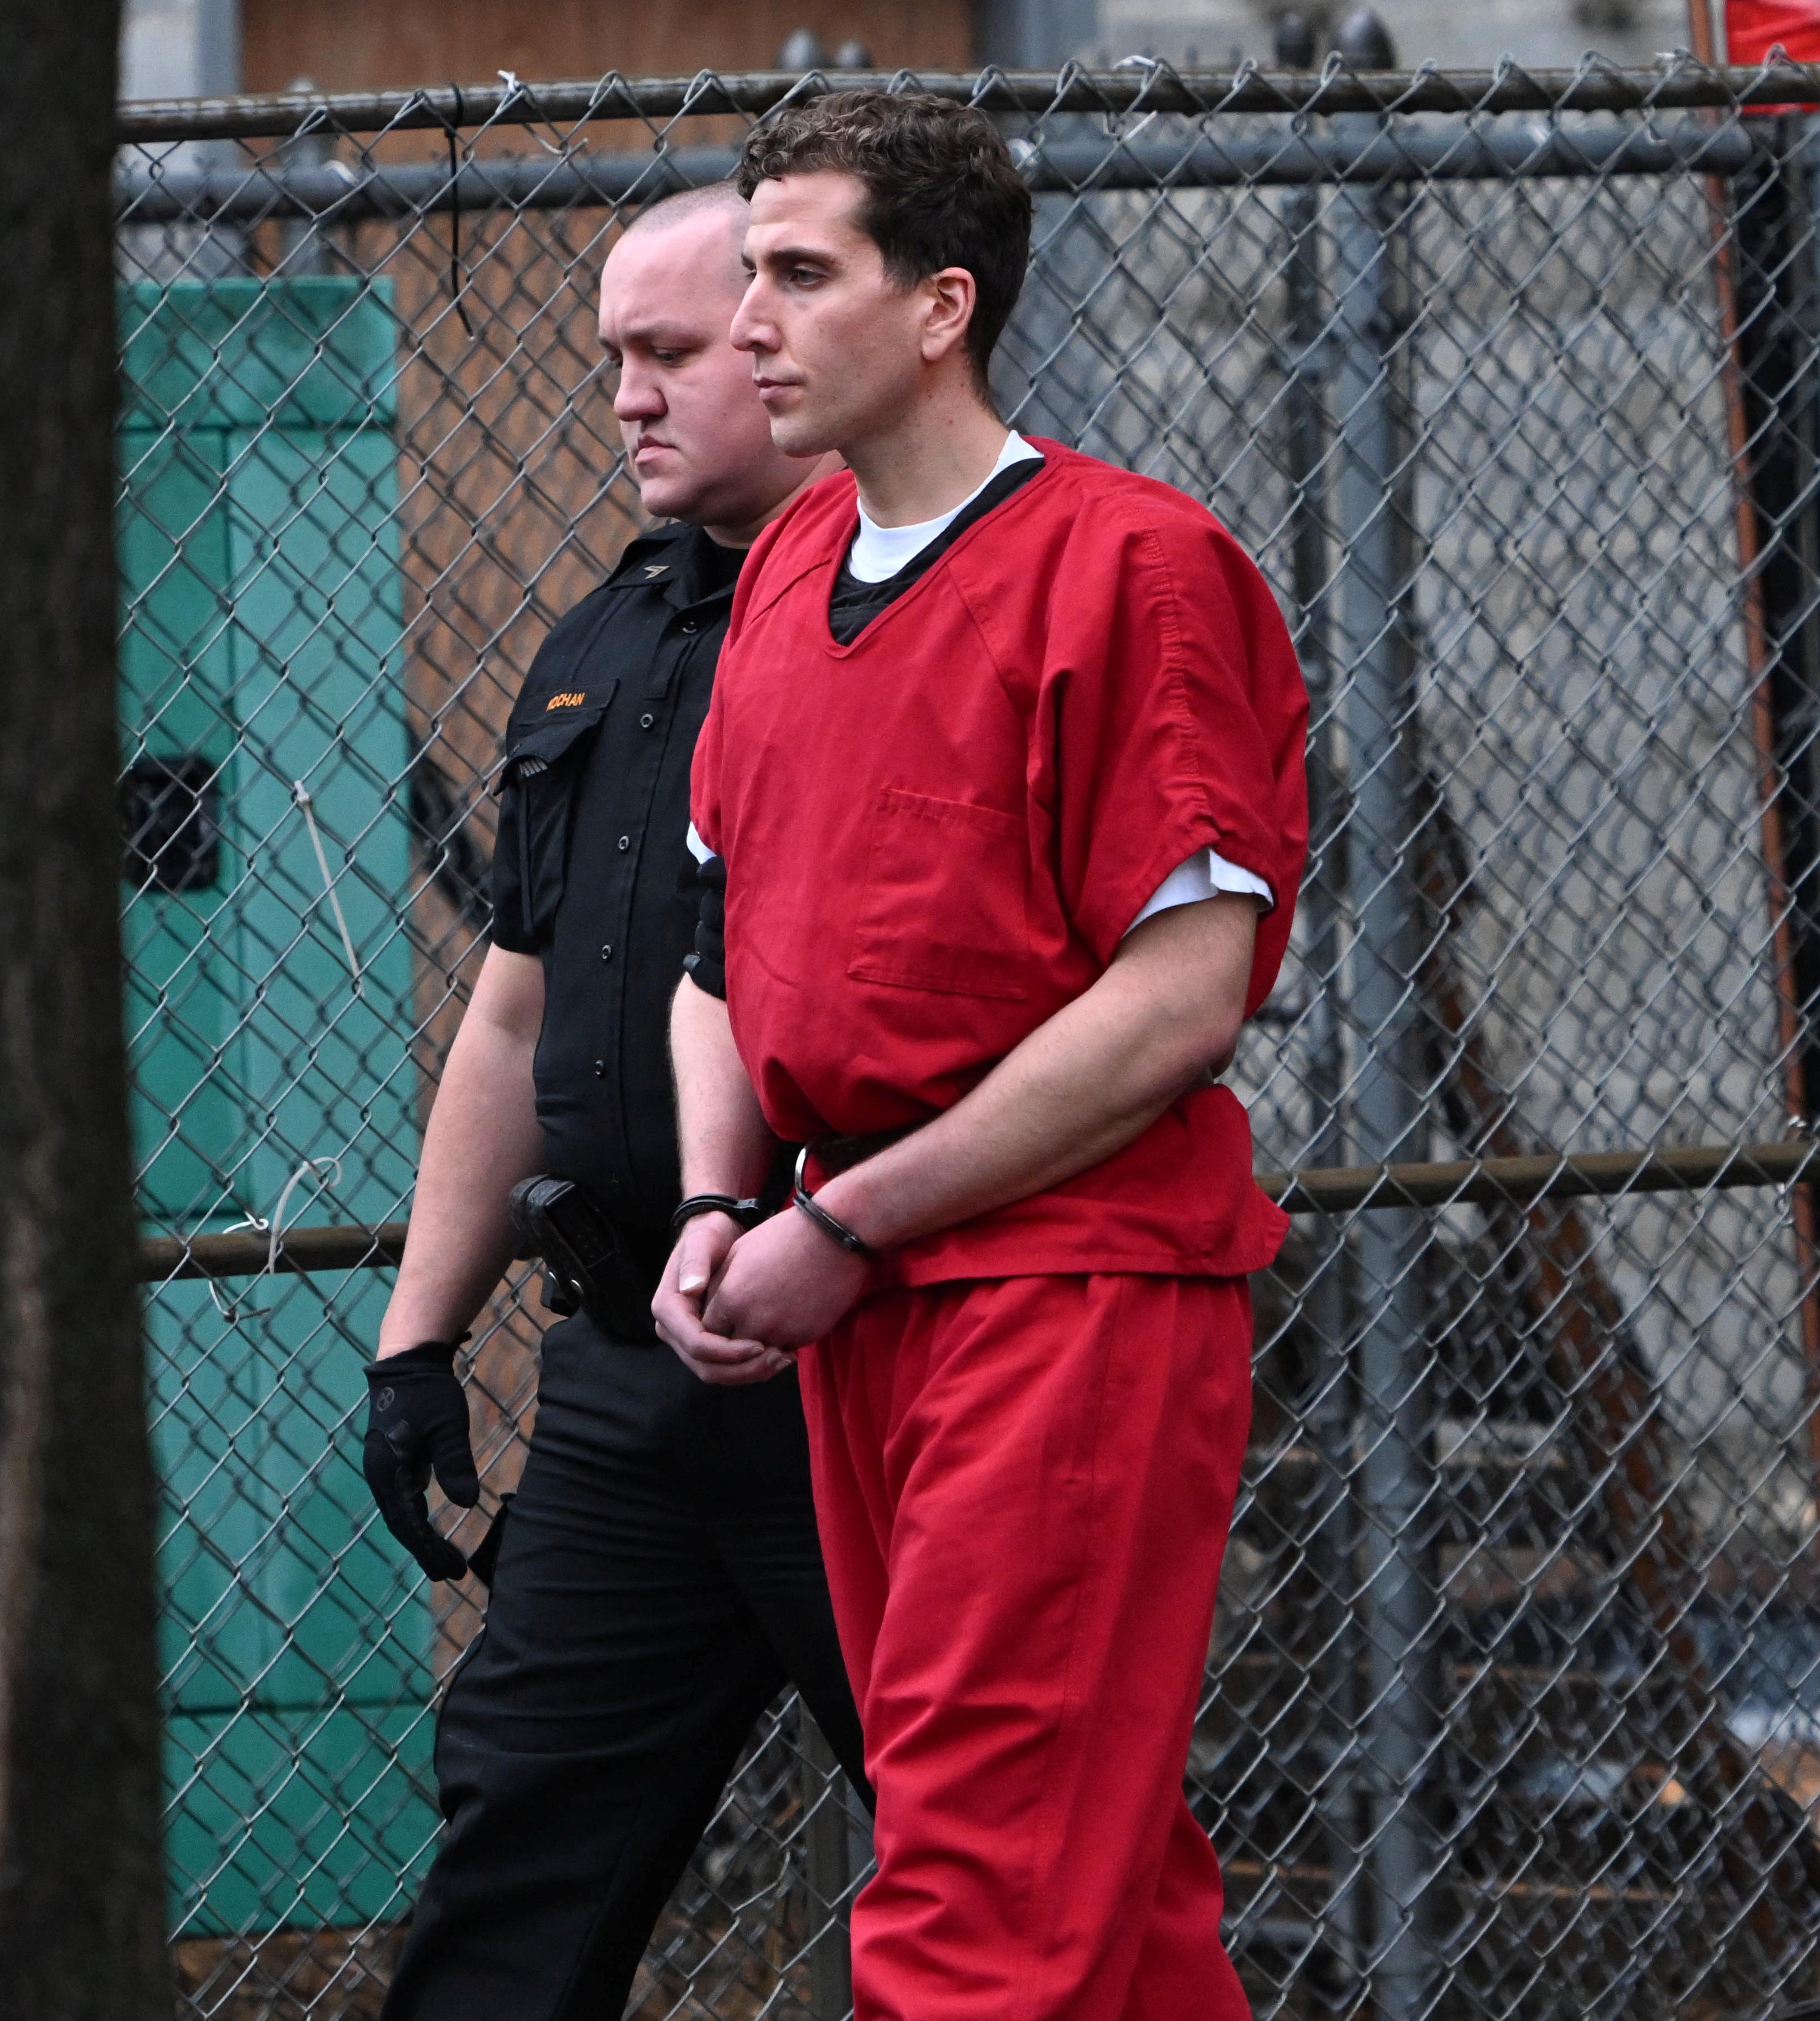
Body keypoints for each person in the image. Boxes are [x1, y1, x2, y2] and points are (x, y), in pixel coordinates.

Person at [654, 92, 1309, 2021]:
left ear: (940, 307)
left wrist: (844, 1216)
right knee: (1091, 1893)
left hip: (1065, 1279)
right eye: (744, 269)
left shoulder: (1134, 565)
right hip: (855, 1281)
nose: (747, 318)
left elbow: (1181, 995)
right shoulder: (785, 565)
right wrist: (722, 1200)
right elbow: (720, 945)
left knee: (972, 1892)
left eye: (797, 272)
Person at [356, 182, 868, 2021]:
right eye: (609, 364)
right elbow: (511, 1017)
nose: (627, 400)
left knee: (992, 1846)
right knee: (518, 1842)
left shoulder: (895, 624)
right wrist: (419, 1340)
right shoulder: (605, 641)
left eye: (665, 357)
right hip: (628, 1374)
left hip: (859, 1355)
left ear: (782, 348)